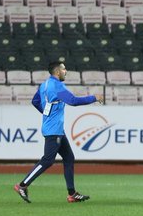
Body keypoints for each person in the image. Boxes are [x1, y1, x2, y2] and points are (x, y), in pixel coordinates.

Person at [14, 61, 100, 204]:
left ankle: (72, 194)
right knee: (47, 160)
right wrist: (94, 98)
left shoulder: (45, 84)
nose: (66, 71)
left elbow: (35, 101)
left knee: (69, 158)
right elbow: (72, 101)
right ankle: (22, 185)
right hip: (54, 130)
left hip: (55, 129)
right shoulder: (57, 86)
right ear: (57, 71)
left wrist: (47, 114)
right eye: (64, 69)